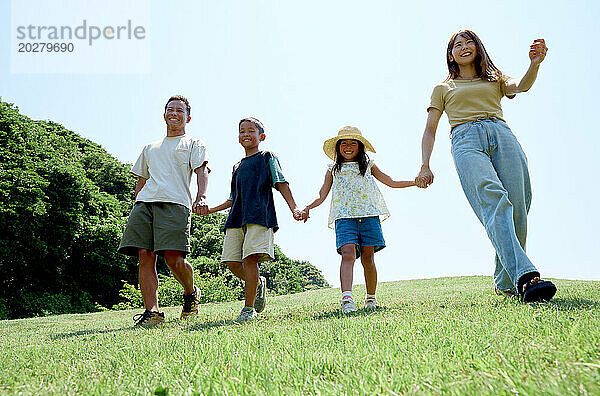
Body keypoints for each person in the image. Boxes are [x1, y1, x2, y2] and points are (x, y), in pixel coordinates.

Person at [415, 30, 556, 302]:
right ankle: (526, 277)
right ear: (450, 54)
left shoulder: (495, 78)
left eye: (469, 42)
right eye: (458, 44)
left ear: (478, 48)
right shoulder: (442, 88)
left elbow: (521, 86)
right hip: (466, 139)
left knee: (518, 207)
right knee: (494, 200)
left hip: (501, 133)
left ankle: (505, 281)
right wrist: (425, 165)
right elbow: (430, 130)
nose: (464, 47)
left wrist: (534, 64)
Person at [301, 126, 416, 313]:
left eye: (352, 143)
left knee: (368, 257)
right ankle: (347, 299)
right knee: (348, 253)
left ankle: (371, 298)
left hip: (369, 215)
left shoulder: (369, 165)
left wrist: (415, 181)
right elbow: (321, 194)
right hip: (344, 217)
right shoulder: (332, 169)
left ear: (360, 147)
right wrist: (307, 207)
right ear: (338, 147)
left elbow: (391, 182)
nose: (348, 146)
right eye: (343, 143)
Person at [118, 95, 210, 326]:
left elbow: (201, 171)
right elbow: (141, 180)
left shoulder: (194, 144)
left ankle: (191, 292)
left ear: (187, 117)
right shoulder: (150, 148)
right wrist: (136, 203)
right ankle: (153, 313)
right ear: (164, 114)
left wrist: (201, 197)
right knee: (145, 256)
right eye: (170, 109)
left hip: (176, 203)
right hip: (145, 203)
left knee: (173, 259)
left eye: (180, 110)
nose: (174, 113)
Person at [202, 117, 302, 322]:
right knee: (231, 261)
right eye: (242, 131)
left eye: (251, 131)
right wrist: (211, 210)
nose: (246, 134)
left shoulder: (267, 157)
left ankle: (248, 309)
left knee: (250, 259)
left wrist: (294, 208)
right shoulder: (237, 166)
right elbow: (232, 198)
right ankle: (258, 282)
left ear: (261, 136)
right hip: (236, 218)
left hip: (259, 215)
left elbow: (281, 182)